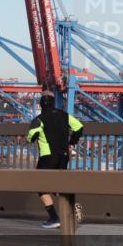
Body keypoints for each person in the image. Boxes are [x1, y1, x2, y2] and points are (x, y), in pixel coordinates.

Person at [27, 92, 84, 229]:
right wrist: (72, 142)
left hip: (47, 157)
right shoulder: (64, 115)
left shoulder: (39, 119)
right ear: (54, 103)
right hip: (63, 156)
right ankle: (73, 206)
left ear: (41, 105)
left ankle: (54, 218)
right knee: (58, 185)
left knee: (40, 186)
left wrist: (31, 138)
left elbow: (31, 136)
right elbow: (79, 127)